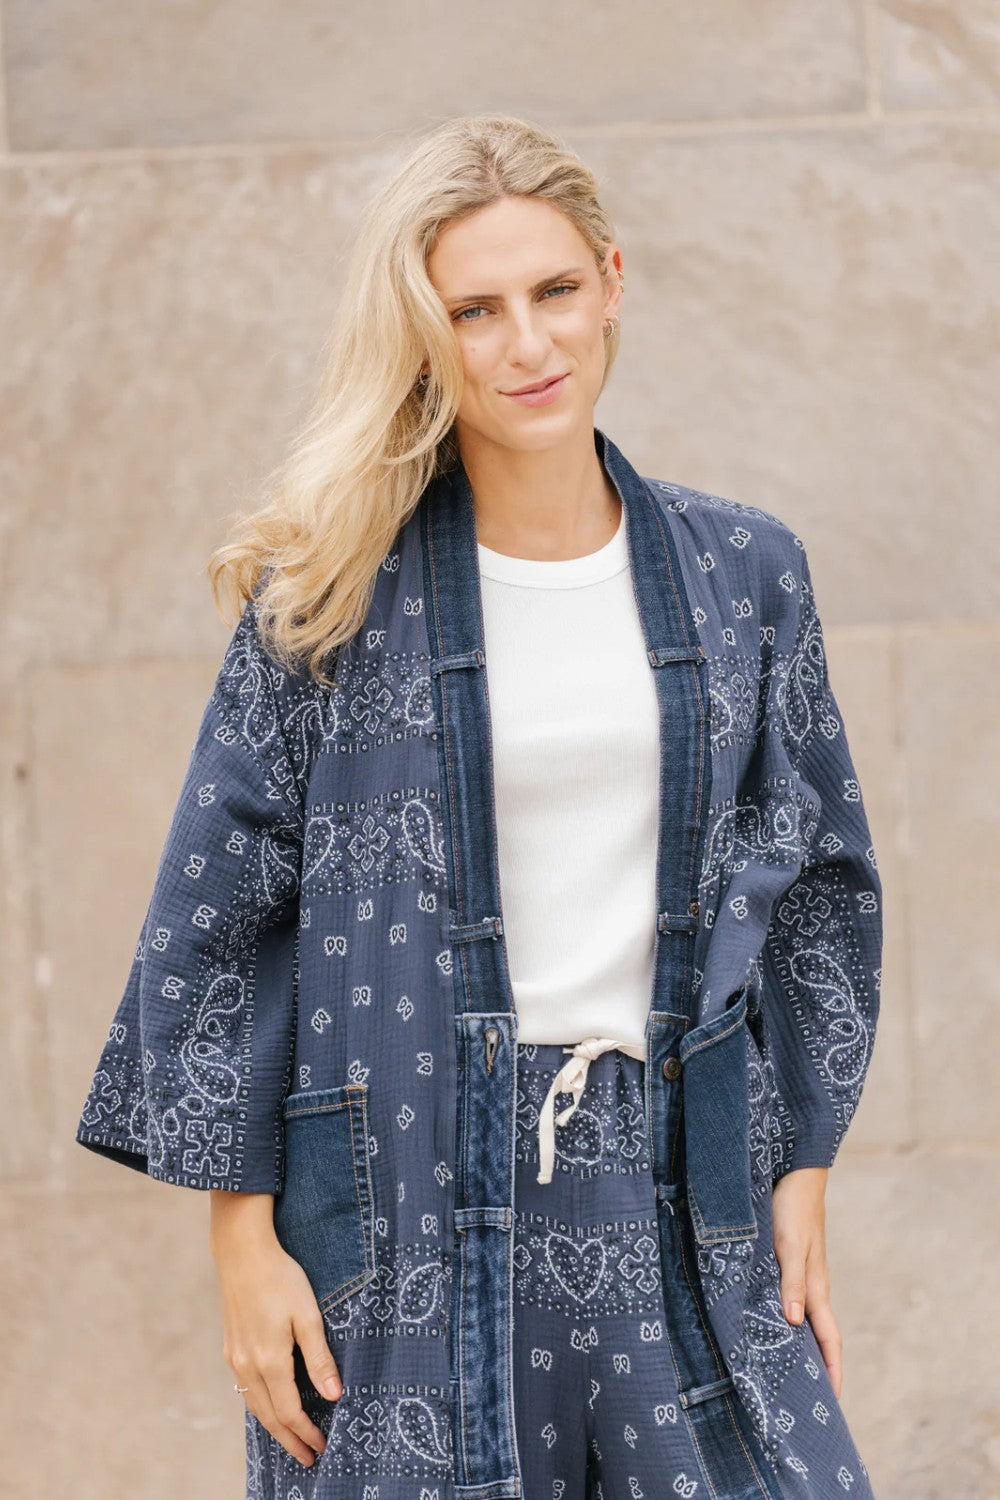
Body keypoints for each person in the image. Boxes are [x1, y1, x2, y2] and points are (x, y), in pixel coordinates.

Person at [75, 112, 883, 1500]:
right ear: (425, 335)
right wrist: (242, 1244)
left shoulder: (747, 574)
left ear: (614, 283)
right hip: (404, 1202)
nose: (529, 344)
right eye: (477, 310)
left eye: (556, 291)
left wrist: (798, 1169)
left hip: (684, 1184)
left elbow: (815, 875)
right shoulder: (327, 601)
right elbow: (213, 920)